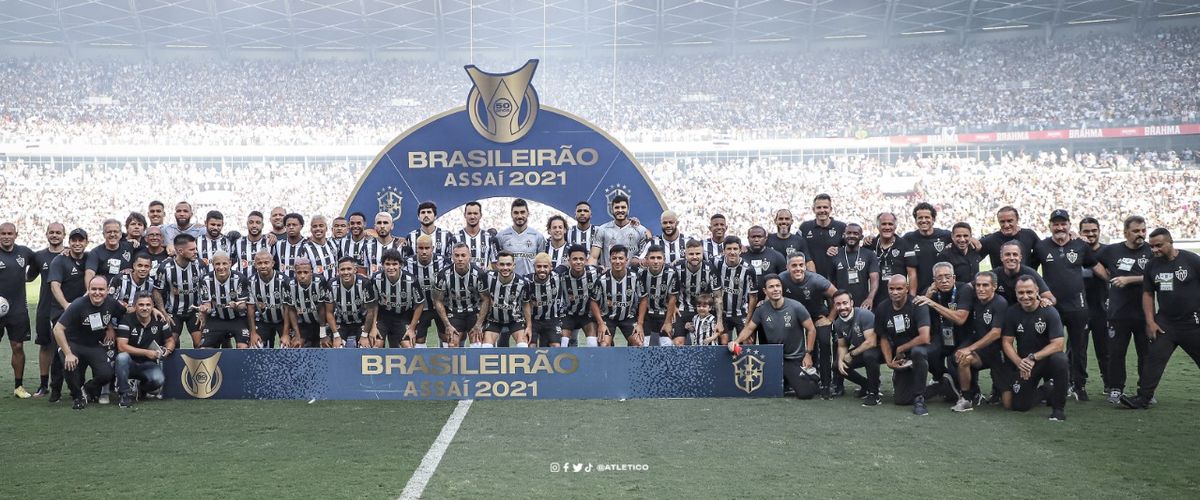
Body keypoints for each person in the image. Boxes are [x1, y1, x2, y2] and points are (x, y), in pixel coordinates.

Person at [1119, 228, 1200, 409]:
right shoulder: (1152, 265)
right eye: (1152, 246)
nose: (1154, 250)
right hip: (1166, 324)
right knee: (1153, 360)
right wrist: (1150, 321)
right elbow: (1147, 294)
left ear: (1171, 242)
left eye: (1159, 246)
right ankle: (1143, 398)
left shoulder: (1192, 260)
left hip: (1192, 323)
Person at [1033, 209, 1097, 401]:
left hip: (1078, 306)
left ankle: (1079, 385)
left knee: (1079, 347)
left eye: (1063, 223)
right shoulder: (1041, 247)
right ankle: (1051, 384)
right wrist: (1038, 296)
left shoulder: (1080, 245)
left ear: (1069, 225)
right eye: (1056, 224)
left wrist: (1111, 281)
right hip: (1051, 307)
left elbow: (1094, 265)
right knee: (1049, 346)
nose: (1059, 227)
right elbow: (1030, 272)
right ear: (1050, 226)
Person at [728, 274, 818, 400]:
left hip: (794, 358)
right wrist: (736, 341)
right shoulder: (761, 310)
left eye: (778, 286)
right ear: (765, 291)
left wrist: (808, 354)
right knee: (763, 390)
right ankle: (789, 380)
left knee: (805, 394)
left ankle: (811, 377)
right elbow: (749, 328)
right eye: (771, 287)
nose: (775, 289)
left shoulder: (796, 306)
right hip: (774, 358)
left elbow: (811, 329)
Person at [1093, 215, 1152, 404]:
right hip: (1118, 313)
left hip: (1144, 313)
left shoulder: (1151, 251)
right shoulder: (1112, 251)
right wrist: (1106, 277)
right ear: (1125, 232)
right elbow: (1093, 260)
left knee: (1146, 354)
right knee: (1116, 354)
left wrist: (1129, 279)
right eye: (1136, 231)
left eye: (1143, 230)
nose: (1141, 234)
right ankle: (1116, 389)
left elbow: (1156, 276)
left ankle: (1145, 391)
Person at [1000, 276, 1069, 421]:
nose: (1025, 296)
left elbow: (1058, 344)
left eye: (1029, 292)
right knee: (1018, 406)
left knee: (1060, 359)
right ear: (1016, 293)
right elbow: (1007, 342)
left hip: (1046, 360)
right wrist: (1020, 362)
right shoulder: (1012, 312)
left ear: (1037, 290)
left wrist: (1033, 357)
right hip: (1025, 363)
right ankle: (1046, 390)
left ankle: (1058, 409)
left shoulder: (1050, 311)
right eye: (1021, 292)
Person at [52, 276, 123, 410]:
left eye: (101, 289)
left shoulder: (112, 303)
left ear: (107, 291)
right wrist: (68, 353)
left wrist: (110, 327)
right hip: (73, 344)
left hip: (94, 345)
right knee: (70, 365)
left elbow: (126, 313)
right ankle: (78, 397)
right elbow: (57, 329)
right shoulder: (78, 305)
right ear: (88, 290)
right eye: (94, 289)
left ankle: (87, 389)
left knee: (106, 374)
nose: (97, 293)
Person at [778, 252, 837, 396]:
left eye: (801, 265)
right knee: (786, 342)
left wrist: (829, 318)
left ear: (805, 266)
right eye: (794, 265)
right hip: (795, 319)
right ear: (787, 267)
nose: (798, 268)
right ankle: (789, 381)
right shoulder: (781, 279)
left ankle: (826, 383)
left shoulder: (817, 280)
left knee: (823, 342)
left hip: (817, 316)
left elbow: (838, 296)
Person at [913, 262, 973, 401]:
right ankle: (942, 379)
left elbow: (960, 319)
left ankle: (968, 390)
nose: (944, 281)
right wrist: (927, 297)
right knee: (920, 352)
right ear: (934, 281)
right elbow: (916, 315)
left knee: (957, 360)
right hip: (941, 337)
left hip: (963, 337)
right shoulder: (929, 293)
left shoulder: (964, 289)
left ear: (954, 277)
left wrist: (932, 303)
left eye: (947, 276)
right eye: (939, 278)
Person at [874, 274, 933, 415]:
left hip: (921, 349)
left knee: (917, 352)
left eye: (899, 288)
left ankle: (920, 398)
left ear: (907, 288)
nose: (895, 292)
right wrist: (889, 361)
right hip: (901, 356)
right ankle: (942, 386)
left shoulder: (917, 305)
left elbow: (925, 337)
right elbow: (883, 337)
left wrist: (902, 348)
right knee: (901, 400)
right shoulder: (882, 308)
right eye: (891, 289)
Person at [951, 271, 1008, 412]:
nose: (981, 289)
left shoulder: (1000, 303)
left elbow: (995, 333)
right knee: (962, 358)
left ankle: (999, 391)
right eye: (978, 285)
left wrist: (969, 348)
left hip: (997, 353)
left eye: (985, 285)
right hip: (979, 352)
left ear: (994, 287)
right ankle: (966, 398)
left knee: (1009, 404)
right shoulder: (974, 300)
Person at [46, 228, 90, 401]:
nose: (77, 244)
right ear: (69, 242)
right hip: (61, 312)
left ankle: (78, 388)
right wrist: (66, 306)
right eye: (74, 241)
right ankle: (55, 389)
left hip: (83, 313)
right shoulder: (60, 260)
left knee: (81, 350)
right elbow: (54, 285)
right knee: (60, 352)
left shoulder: (90, 258)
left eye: (81, 240)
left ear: (86, 242)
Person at [114, 292, 173, 407]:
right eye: (141, 305)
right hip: (129, 363)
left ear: (152, 306)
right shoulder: (126, 320)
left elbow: (170, 340)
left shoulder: (160, 320)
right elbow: (121, 346)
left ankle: (141, 389)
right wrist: (147, 352)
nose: (145, 308)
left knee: (158, 380)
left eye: (148, 305)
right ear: (135, 306)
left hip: (148, 364)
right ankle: (124, 394)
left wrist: (167, 350)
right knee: (122, 357)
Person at [0, 222, 38, 398]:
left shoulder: (24, 252)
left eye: (10, 233)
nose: (6, 236)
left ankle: (18, 387)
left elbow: (40, 262)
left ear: (16, 234)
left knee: (18, 346)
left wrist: (29, 277)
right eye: (3, 233)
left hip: (17, 310)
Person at [29, 222, 66, 397]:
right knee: (45, 345)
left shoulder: (71, 254)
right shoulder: (39, 256)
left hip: (64, 309)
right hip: (44, 308)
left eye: (58, 232)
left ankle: (73, 384)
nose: (55, 235)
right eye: (51, 232)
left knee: (68, 345)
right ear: (46, 234)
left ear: (64, 235)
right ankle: (44, 385)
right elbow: (28, 277)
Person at [831, 289, 883, 406]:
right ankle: (866, 385)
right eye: (838, 304)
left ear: (852, 303)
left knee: (869, 355)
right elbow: (842, 345)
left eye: (845, 303)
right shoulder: (838, 323)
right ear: (834, 306)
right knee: (836, 366)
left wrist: (851, 354)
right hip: (863, 350)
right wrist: (840, 360)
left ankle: (874, 393)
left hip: (882, 350)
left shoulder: (864, 315)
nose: (842, 307)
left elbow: (871, 342)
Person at [152, 233, 205, 347]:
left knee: (199, 343)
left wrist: (203, 310)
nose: (195, 251)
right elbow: (157, 291)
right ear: (180, 251)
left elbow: (206, 288)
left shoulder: (199, 265)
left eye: (195, 248)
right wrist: (163, 312)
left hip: (194, 310)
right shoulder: (164, 267)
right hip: (173, 311)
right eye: (191, 249)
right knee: (172, 342)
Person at [435, 243, 487, 348]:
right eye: (456, 255)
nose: (460, 259)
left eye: (463, 255)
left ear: (470, 256)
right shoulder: (443, 275)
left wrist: (479, 324)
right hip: (454, 312)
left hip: (474, 312)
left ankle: (474, 364)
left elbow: (485, 300)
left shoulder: (479, 274)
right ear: (452, 257)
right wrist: (447, 325)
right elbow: (438, 300)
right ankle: (456, 364)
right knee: (452, 344)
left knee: (477, 344)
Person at [196, 252, 252, 348]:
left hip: (238, 318)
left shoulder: (240, 279)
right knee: (204, 349)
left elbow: (243, 307)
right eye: (217, 264)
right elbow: (208, 306)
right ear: (213, 264)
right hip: (217, 318)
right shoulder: (205, 280)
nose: (221, 267)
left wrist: (236, 306)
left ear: (230, 263)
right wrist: (204, 309)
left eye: (224, 263)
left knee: (243, 347)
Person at [372, 249, 425, 348]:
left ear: (400, 265)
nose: (391, 267)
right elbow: (373, 303)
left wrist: (412, 328)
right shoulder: (376, 279)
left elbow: (420, 303)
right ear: (383, 265)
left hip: (403, 316)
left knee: (408, 346)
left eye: (394, 264)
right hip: (382, 317)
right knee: (376, 344)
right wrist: (373, 326)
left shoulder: (411, 281)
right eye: (387, 264)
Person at [478, 251, 532, 348]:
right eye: (502, 264)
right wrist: (479, 324)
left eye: (508, 264)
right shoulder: (487, 277)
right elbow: (482, 298)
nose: (505, 268)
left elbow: (525, 304)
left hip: (515, 319)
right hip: (493, 319)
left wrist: (529, 326)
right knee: (486, 347)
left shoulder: (523, 283)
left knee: (523, 346)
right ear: (497, 265)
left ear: (514, 265)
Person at [674, 240, 723, 342]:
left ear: (702, 254)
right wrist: (673, 306)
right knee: (678, 342)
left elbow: (718, 297)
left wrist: (719, 320)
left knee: (708, 340)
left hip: (705, 308)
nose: (695, 257)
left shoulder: (711, 269)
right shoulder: (677, 267)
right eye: (691, 254)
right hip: (684, 308)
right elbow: (669, 290)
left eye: (698, 253)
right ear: (685, 254)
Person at [284, 258, 339, 348]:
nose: (302, 276)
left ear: (311, 272)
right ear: (295, 273)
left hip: (322, 323)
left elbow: (322, 308)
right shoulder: (289, 284)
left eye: (305, 272)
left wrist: (323, 334)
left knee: (326, 345)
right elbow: (291, 310)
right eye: (299, 273)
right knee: (294, 345)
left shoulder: (320, 281)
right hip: (304, 324)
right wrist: (297, 335)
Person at [595, 245, 644, 347]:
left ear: (626, 260)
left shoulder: (635, 277)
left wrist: (639, 324)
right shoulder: (602, 279)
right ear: (610, 260)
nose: (617, 261)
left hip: (628, 317)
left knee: (638, 343)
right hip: (608, 318)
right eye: (614, 258)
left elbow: (643, 299)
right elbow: (593, 301)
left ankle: (630, 361)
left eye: (621, 258)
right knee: (604, 344)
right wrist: (600, 323)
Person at [557, 244, 604, 347]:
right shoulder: (561, 276)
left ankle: (591, 363)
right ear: (568, 261)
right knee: (563, 343)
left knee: (592, 343)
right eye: (574, 259)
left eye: (581, 259)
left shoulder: (595, 272)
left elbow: (608, 273)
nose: (578, 262)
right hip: (568, 314)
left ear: (586, 260)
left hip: (587, 314)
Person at [714, 236, 757, 345]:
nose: (732, 252)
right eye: (729, 249)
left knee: (747, 342)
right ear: (723, 251)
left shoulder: (749, 269)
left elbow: (753, 297)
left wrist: (747, 321)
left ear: (740, 250)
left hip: (740, 313)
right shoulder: (716, 262)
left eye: (735, 249)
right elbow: (699, 262)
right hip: (722, 313)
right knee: (723, 343)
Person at [902, 202, 953, 295]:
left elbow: (962, 238)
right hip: (920, 291)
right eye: (920, 218)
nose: (923, 220)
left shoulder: (946, 235)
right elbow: (891, 242)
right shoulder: (908, 238)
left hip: (944, 289)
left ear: (933, 219)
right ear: (916, 220)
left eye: (927, 217)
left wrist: (973, 240)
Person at [869, 212, 917, 306]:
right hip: (876, 299)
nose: (887, 227)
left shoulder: (906, 245)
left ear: (895, 227)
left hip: (899, 298)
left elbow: (912, 275)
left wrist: (911, 298)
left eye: (890, 224)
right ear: (878, 226)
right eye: (884, 224)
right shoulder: (870, 245)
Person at [329, 256, 377, 348]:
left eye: (349, 269)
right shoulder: (332, 284)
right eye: (342, 269)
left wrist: (364, 335)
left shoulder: (365, 283)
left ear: (355, 270)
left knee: (365, 348)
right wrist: (336, 336)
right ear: (338, 271)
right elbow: (329, 312)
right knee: (337, 349)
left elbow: (370, 311)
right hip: (341, 323)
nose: (346, 272)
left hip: (361, 323)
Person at [591, 195, 650, 270]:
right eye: (616, 207)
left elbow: (645, 257)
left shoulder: (640, 230)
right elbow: (593, 257)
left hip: (633, 277)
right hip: (608, 276)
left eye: (623, 207)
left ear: (628, 209)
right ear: (611, 210)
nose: (620, 210)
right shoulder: (602, 229)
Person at [636, 245, 679, 347]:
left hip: (664, 313)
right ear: (646, 260)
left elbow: (672, 298)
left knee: (667, 344)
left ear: (664, 259)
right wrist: (640, 324)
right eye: (652, 258)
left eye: (659, 258)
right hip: (646, 314)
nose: (656, 261)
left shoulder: (671, 273)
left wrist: (668, 322)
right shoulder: (641, 273)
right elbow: (643, 299)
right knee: (641, 343)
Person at [246, 250, 290, 348]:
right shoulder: (251, 281)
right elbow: (251, 308)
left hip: (283, 321)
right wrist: (253, 333)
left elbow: (288, 308)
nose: (263, 266)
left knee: (287, 347)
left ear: (273, 263)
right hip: (263, 321)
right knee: (255, 347)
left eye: (266, 262)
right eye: (259, 263)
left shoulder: (284, 281)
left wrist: (286, 334)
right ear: (255, 265)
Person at [799, 194, 847, 281]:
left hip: (836, 279)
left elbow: (851, 249)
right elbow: (798, 248)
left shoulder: (841, 227)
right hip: (811, 278)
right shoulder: (805, 227)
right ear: (813, 209)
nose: (822, 210)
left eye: (825, 207)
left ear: (830, 209)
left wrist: (838, 250)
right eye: (819, 207)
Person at [832, 223, 879, 308]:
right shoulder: (835, 254)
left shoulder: (869, 254)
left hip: (863, 303)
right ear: (844, 235)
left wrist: (870, 298)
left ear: (861, 237)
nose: (852, 235)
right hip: (841, 304)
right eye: (849, 233)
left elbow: (874, 280)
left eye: (856, 233)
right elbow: (831, 282)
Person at [994, 241, 1054, 306]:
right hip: (1003, 313)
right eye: (1007, 254)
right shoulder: (993, 275)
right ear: (1001, 257)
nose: (1011, 258)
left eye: (1015, 254)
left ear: (1020, 258)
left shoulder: (1031, 274)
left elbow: (1051, 298)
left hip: (1025, 313)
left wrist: (1046, 301)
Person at [496, 199, 547, 276]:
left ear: (528, 213)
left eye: (522, 212)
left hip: (530, 283)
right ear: (511, 214)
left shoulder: (537, 236)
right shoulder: (501, 236)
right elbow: (495, 262)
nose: (519, 216)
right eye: (516, 213)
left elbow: (542, 262)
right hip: (509, 283)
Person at [979, 206, 1039, 271]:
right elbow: (973, 256)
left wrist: (1033, 269)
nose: (1006, 225)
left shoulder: (1029, 235)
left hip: (1026, 279)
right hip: (1000, 280)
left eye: (1010, 221)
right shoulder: (991, 240)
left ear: (1017, 219)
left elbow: (1042, 252)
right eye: (1002, 222)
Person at [528, 253, 566, 347]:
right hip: (533, 320)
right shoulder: (527, 281)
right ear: (534, 267)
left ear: (551, 267)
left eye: (545, 266)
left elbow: (570, 263)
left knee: (556, 346)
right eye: (539, 266)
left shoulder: (557, 275)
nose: (542, 270)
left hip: (552, 319)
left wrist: (599, 268)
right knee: (531, 346)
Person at [84, 218, 134, 285]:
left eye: (115, 231)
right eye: (109, 232)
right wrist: (89, 290)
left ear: (121, 234)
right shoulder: (95, 253)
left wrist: (133, 271)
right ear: (103, 234)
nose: (112, 234)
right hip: (105, 292)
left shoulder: (130, 247)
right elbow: (90, 272)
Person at [458, 202, 496, 269]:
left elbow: (495, 264)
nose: (472, 217)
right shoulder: (456, 237)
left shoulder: (489, 238)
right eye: (469, 213)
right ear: (464, 215)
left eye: (475, 213)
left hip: (483, 279)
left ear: (480, 215)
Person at [235, 211, 273, 277]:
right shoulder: (238, 242)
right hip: (244, 284)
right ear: (247, 224)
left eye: (258, 223)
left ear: (262, 225)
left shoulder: (270, 241)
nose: (254, 225)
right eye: (251, 222)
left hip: (264, 284)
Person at [303, 215, 339, 283]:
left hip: (335, 288)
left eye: (321, 225)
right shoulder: (305, 248)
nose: (318, 228)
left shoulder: (333, 243)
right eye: (314, 226)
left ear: (326, 228)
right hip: (316, 289)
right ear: (311, 229)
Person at [273, 213, 308, 277]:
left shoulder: (308, 245)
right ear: (285, 227)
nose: (291, 227)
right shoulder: (278, 245)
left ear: (301, 226)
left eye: (294, 225)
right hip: (282, 285)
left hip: (301, 285)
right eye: (288, 225)